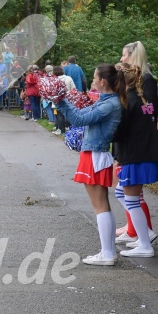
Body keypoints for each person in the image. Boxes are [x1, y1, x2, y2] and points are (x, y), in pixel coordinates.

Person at [55, 63, 126, 265]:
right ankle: (108, 251)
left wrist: (59, 100)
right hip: (96, 154)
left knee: (100, 206)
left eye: (94, 77)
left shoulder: (108, 104)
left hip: (95, 154)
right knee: (103, 205)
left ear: (102, 81)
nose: (92, 80)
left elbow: (78, 119)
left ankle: (107, 253)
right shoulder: (108, 101)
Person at [112, 63, 158, 258]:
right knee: (122, 193)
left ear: (120, 81)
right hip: (145, 154)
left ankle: (144, 243)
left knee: (131, 200)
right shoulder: (142, 99)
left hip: (134, 155)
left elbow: (119, 132)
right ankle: (145, 233)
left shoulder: (127, 101)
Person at [115, 41, 158, 243]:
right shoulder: (131, 84)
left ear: (132, 56)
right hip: (129, 144)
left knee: (132, 194)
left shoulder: (147, 80)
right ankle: (133, 229)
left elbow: (147, 114)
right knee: (127, 193)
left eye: (124, 55)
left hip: (137, 145)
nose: (122, 59)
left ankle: (141, 231)